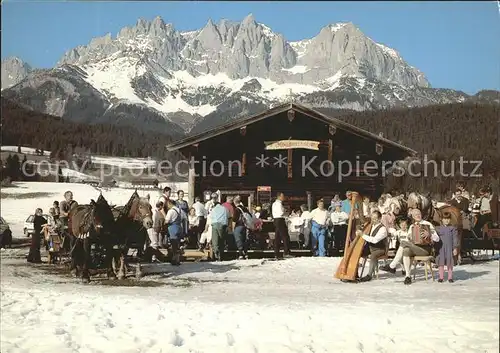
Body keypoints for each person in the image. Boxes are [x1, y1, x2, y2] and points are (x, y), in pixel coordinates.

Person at [399, 208, 440, 285]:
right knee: (406, 250)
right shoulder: (412, 226)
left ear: (421, 214)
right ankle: (408, 276)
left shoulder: (427, 224)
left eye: (419, 214)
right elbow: (408, 239)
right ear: (413, 217)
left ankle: (392, 265)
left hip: (425, 249)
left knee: (403, 243)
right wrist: (410, 237)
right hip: (415, 248)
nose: (418, 216)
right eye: (415, 215)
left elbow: (437, 239)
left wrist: (430, 235)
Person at [358, 210, 389, 282]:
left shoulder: (382, 229)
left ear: (379, 219)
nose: (373, 220)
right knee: (357, 252)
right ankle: (354, 273)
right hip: (370, 247)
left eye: (375, 218)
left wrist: (362, 235)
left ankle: (369, 275)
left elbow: (374, 240)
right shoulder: (371, 226)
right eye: (372, 218)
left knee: (373, 255)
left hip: (380, 249)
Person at [435, 212, 459, 283]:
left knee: (450, 262)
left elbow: (455, 238)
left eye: (448, 219)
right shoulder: (438, 228)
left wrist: (455, 248)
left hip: (449, 248)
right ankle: (441, 277)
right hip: (441, 248)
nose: (446, 220)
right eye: (445, 219)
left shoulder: (452, 228)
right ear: (441, 219)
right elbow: (434, 237)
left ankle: (450, 277)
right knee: (441, 262)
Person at [272, 192, 292, 260]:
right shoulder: (278, 204)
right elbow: (281, 212)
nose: (283, 197)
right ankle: (286, 252)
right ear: (279, 197)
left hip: (276, 220)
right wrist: (285, 212)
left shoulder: (274, 203)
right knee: (285, 236)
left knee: (277, 237)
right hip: (280, 220)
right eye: (282, 196)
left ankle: (276, 253)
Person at [210, 195, 230, 261]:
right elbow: (228, 217)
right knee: (221, 240)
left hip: (215, 225)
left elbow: (211, 217)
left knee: (215, 240)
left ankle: (216, 253)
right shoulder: (225, 209)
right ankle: (221, 254)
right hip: (223, 225)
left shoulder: (213, 209)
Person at [164, 199, 184, 266]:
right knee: (177, 244)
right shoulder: (179, 210)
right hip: (179, 228)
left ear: (170, 203)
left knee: (174, 244)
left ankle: (174, 260)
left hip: (173, 228)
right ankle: (177, 259)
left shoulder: (171, 211)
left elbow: (167, 221)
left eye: (167, 204)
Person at [233, 195, 249, 259]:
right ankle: (246, 253)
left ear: (235, 202)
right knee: (244, 239)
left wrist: (233, 228)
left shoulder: (237, 209)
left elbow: (234, 219)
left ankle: (240, 254)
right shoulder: (245, 208)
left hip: (238, 226)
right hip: (245, 226)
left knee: (238, 240)